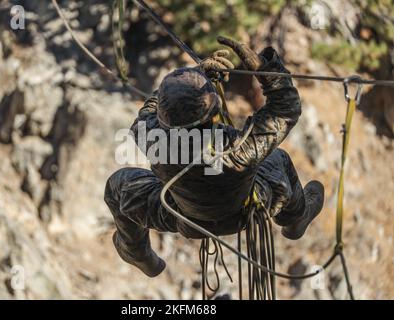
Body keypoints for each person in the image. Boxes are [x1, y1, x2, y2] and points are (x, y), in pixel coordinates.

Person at [104, 36, 325, 277]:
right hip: (247, 211)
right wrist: (267, 71)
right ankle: (295, 218)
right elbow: (285, 111)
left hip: (182, 217)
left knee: (118, 185)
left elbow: (147, 113)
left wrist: (192, 76)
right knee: (278, 159)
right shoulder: (237, 149)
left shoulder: (154, 140)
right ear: (214, 111)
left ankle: (136, 251)